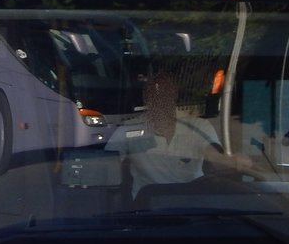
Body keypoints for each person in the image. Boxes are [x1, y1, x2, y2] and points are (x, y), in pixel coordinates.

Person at [110, 72, 262, 200]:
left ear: (174, 94)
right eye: (153, 93)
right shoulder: (129, 130)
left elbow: (215, 158)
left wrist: (233, 161)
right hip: (149, 208)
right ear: (146, 97)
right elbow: (106, 164)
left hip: (192, 205)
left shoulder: (198, 126)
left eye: (165, 92)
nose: (159, 98)